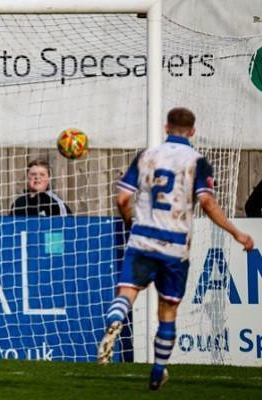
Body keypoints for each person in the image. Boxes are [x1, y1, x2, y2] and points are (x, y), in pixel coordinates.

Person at [96, 107, 254, 390]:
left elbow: (122, 199)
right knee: (167, 311)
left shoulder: (147, 156)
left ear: (166, 128)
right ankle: (158, 371)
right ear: (193, 132)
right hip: (175, 245)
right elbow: (207, 203)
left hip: (142, 238)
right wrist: (236, 232)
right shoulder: (197, 161)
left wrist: (131, 221)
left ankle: (116, 318)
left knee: (127, 292)